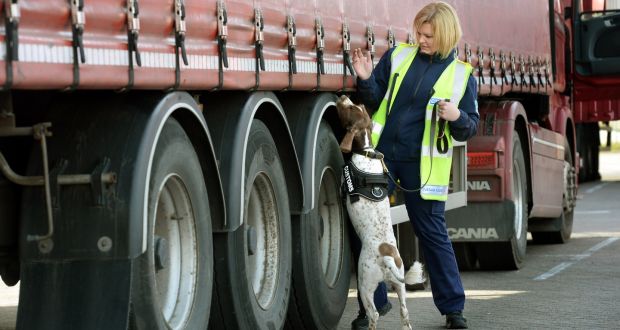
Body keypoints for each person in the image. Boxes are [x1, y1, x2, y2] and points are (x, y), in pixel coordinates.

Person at [350, 2, 478, 329]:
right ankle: (372, 307)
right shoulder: (398, 56)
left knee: (432, 234)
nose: (421, 39)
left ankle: (453, 310)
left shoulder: (462, 75)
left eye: (429, 35)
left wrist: (457, 116)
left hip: (424, 169)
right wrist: (366, 79)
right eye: (419, 32)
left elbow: (470, 126)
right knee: (369, 228)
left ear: (446, 36)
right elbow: (375, 99)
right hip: (383, 159)